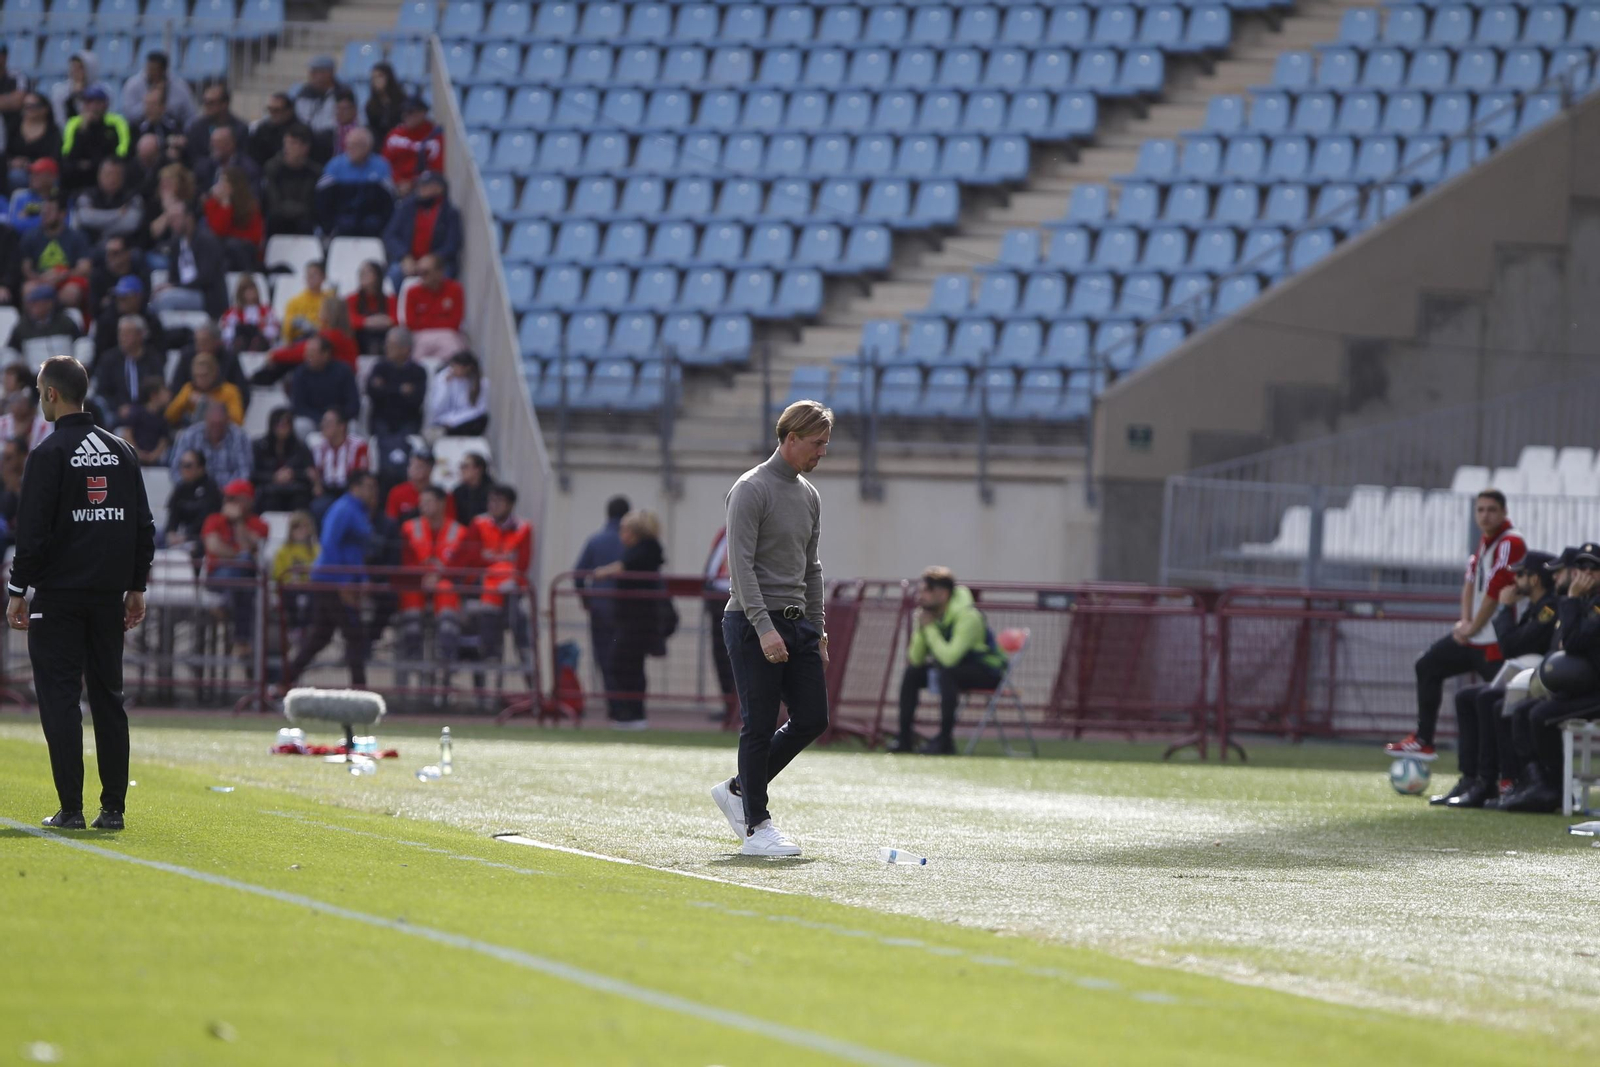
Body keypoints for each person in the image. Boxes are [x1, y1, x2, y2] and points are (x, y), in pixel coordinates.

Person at [6, 355, 154, 832]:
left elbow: (33, 534)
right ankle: (113, 810)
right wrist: (136, 586)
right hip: (109, 597)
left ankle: (71, 809)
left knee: (61, 699)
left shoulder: (48, 454)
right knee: (109, 698)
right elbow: (143, 527)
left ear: (51, 394)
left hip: (60, 597)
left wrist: (16, 591)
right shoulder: (122, 450)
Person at [710, 400, 832, 857]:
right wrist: (763, 628)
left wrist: (817, 630)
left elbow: (812, 567)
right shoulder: (750, 489)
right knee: (758, 723)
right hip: (750, 622)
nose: (822, 452)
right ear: (791, 438)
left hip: (798, 624)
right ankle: (756, 826)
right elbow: (739, 566)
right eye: (817, 443)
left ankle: (740, 789)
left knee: (813, 718)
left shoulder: (809, 495)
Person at [1387, 490, 1527, 760]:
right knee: (1427, 665)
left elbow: (1497, 589)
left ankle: (1514, 771)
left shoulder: (1510, 541)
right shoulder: (1486, 542)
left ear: (1504, 513)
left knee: (1503, 705)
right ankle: (1424, 740)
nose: (1485, 515)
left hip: (1495, 643)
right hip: (1475, 637)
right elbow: (1470, 582)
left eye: (1491, 510)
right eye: (1480, 510)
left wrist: (1473, 628)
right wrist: (1465, 623)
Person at [1431, 550, 1562, 808]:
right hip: (1523, 678)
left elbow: (1511, 646)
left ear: (1534, 579)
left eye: (1521, 575)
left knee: (1489, 700)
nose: (1515, 581)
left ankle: (1500, 781)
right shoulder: (1536, 608)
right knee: (1465, 696)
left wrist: (1504, 607)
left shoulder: (1548, 608)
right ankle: (1472, 778)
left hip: (1537, 683)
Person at [1500, 544, 1600, 813]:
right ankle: (1535, 782)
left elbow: (1573, 641)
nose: (1586, 573)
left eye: (1594, 568)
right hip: (1580, 686)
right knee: (1521, 711)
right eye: (1581, 567)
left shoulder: (1592, 602)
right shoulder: (1583, 601)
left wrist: (1571, 598)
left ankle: (1553, 788)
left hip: (1595, 691)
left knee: (1541, 715)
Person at [890, 567, 1009, 755]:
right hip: (954, 669)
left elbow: (950, 659)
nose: (920, 596)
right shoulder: (927, 615)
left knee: (948, 673)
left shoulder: (968, 616)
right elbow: (916, 658)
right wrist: (922, 629)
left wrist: (929, 629)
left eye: (926, 591)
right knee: (912, 673)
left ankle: (945, 741)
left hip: (988, 672)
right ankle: (904, 739)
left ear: (943, 594)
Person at [280, 469, 377, 690]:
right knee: (353, 633)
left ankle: (283, 682)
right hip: (329, 580)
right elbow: (330, 544)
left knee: (320, 636)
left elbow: (354, 552)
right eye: (369, 486)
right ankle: (360, 691)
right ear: (356, 487)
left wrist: (362, 579)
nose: (373, 492)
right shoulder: (344, 509)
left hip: (338, 580)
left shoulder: (359, 511)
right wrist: (342, 582)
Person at [592, 510, 666, 729]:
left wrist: (602, 572)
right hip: (631, 618)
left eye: (624, 530)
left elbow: (624, 566)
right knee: (629, 665)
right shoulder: (638, 549)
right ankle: (632, 713)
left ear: (635, 532)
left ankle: (631, 713)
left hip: (638, 619)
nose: (620, 534)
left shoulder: (646, 549)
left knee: (622, 664)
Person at [459, 483, 534, 694]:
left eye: (499, 501)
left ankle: (531, 689)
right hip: (482, 594)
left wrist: (497, 566)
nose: (493, 505)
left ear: (510, 504)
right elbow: (472, 558)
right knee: (477, 634)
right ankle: (482, 690)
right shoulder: (479, 524)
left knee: (522, 629)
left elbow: (523, 563)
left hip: (511, 596)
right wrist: (498, 567)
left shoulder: (523, 528)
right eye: (491, 501)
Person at [397, 485, 466, 700]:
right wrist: (422, 576)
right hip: (418, 586)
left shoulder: (459, 531)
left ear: (442, 503)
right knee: (410, 597)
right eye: (421, 502)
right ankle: (414, 659)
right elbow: (405, 560)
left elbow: (463, 564)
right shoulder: (409, 528)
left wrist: (440, 577)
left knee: (447, 592)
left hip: (444, 587)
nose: (423, 506)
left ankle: (446, 659)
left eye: (428, 501)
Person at [575, 495, 629, 720]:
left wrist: (586, 600)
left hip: (600, 608)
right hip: (626, 610)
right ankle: (627, 706)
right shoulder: (629, 542)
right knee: (626, 658)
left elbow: (578, 574)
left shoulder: (595, 540)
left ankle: (613, 705)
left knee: (604, 657)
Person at [202, 478, 267, 661]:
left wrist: (238, 522)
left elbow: (250, 548)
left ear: (247, 501)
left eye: (233, 498)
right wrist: (238, 556)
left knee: (244, 582)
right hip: (217, 577)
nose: (228, 502)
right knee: (244, 570)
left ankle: (225, 606)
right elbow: (214, 547)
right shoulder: (214, 519)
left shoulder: (258, 523)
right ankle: (241, 641)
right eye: (227, 498)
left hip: (241, 584)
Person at [382, 170, 461, 290]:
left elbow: (452, 244)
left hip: (437, 263)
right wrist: (404, 256)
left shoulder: (449, 213)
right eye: (420, 185)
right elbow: (390, 235)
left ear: (439, 189)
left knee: (445, 277)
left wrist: (433, 259)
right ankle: (396, 307)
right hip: (408, 261)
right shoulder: (406, 208)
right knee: (395, 273)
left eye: (425, 186)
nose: (420, 189)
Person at [151, 200, 228, 316]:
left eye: (176, 218)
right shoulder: (176, 243)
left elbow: (205, 278)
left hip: (206, 295)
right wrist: (168, 286)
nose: (172, 223)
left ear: (189, 217)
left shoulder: (206, 241)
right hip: (184, 292)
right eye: (170, 219)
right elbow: (173, 276)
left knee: (165, 300)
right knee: (155, 298)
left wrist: (175, 286)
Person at [314, 126, 393, 237]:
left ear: (368, 147)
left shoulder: (381, 166)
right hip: (341, 221)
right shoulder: (334, 166)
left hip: (371, 223)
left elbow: (388, 203)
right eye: (349, 144)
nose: (351, 148)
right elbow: (322, 202)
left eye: (357, 145)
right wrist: (329, 227)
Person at [21, 199, 92, 310]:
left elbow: (85, 267)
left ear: (62, 214)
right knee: (28, 289)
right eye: (43, 211)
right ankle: (32, 324)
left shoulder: (77, 237)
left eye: (49, 211)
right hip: (40, 280)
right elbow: (26, 268)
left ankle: (66, 323)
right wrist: (41, 279)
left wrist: (63, 275)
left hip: (67, 279)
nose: (45, 215)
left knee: (71, 292)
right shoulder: (31, 236)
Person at [94, 316, 165, 426]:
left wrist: (145, 407)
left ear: (140, 335)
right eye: (121, 334)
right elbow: (102, 391)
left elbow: (158, 386)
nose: (123, 338)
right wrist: (118, 407)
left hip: (148, 412)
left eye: (127, 334)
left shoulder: (153, 359)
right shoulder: (109, 359)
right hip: (118, 413)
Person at [60, 87, 131, 196]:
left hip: (106, 167)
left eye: (98, 102)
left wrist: (94, 163)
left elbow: (122, 152)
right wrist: (83, 131)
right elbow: (68, 153)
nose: (93, 107)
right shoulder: (74, 124)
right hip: (80, 172)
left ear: (106, 104)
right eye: (89, 102)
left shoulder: (117, 122)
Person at [701, 525, 739, 726]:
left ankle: (739, 708)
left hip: (736, 599)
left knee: (737, 656)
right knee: (721, 656)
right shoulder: (724, 533)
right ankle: (729, 706)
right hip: (717, 600)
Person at [169, 400, 252, 487]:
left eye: (220, 424)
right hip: (194, 491)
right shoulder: (190, 435)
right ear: (206, 419)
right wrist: (189, 487)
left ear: (228, 421)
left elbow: (244, 472)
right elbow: (175, 469)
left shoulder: (240, 437)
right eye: (212, 424)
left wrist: (229, 491)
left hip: (228, 494)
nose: (215, 429)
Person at [404, 253, 468, 365]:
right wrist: (440, 319)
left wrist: (425, 320)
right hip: (421, 336)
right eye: (420, 272)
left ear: (439, 272)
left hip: (447, 335)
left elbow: (455, 322)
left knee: (456, 353)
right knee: (412, 358)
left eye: (426, 272)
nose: (422, 276)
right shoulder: (412, 292)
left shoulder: (455, 290)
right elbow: (411, 323)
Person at [307, 407, 369, 522]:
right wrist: (316, 483)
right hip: (327, 491)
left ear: (342, 426)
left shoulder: (358, 446)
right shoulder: (317, 447)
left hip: (349, 491)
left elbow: (361, 474)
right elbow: (314, 473)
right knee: (317, 507)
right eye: (323, 421)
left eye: (328, 422)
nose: (323, 425)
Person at [260, 122, 320, 237]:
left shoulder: (314, 172)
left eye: (293, 143)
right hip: (278, 218)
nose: (288, 148)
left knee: (306, 222)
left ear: (305, 147)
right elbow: (273, 203)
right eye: (286, 143)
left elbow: (311, 204)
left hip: (304, 220)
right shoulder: (272, 168)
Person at [366, 326, 427, 436]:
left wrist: (386, 388)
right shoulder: (379, 367)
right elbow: (372, 392)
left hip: (408, 420)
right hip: (382, 419)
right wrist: (400, 390)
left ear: (405, 349)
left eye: (391, 345)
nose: (386, 347)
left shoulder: (418, 371)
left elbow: (416, 400)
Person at [287, 336, 361, 427]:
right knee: (300, 426)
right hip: (313, 419)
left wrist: (337, 419)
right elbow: (299, 406)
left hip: (340, 419)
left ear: (326, 354)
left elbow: (353, 402)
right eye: (307, 352)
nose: (307, 356)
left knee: (353, 426)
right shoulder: (300, 373)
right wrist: (322, 420)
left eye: (312, 353)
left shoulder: (343, 371)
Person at [251, 406, 313, 512]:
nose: (282, 427)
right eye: (279, 424)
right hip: (269, 491)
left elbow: (309, 473)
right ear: (272, 425)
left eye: (286, 424)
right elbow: (253, 474)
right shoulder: (260, 446)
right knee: (270, 499)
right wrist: (274, 477)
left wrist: (292, 474)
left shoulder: (301, 447)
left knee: (300, 499)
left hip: (295, 490)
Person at [200, 165, 263, 270]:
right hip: (222, 252)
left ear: (235, 185)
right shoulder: (211, 204)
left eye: (225, 182)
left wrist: (231, 237)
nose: (221, 186)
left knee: (232, 246)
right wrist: (226, 204)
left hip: (245, 252)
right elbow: (218, 230)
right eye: (219, 182)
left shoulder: (250, 205)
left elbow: (255, 238)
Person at [381, 98, 444, 198]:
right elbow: (385, 164)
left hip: (423, 188)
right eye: (404, 113)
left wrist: (412, 183)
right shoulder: (394, 136)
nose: (407, 117)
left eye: (411, 112)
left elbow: (436, 169)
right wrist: (398, 181)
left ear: (423, 113)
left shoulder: (435, 137)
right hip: (396, 186)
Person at [73, 157, 143, 245]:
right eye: (108, 174)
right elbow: (84, 217)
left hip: (122, 247)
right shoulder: (87, 195)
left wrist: (101, 229)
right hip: (90, 245)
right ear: (99, 175)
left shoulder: (133, 197)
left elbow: (132, 223)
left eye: (117, 175)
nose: (112, 179)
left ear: (123, 177)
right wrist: (117, 214)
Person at [93, 274, 165, 360]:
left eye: (125, 296)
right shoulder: (106, 321)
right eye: (118, 296)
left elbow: (159, 353)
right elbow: (100, 354)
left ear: (138, 297)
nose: (120, 300)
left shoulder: (151, 321)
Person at [120, 51, 196, 130]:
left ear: (163, 70)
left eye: (154, 69)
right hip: (139, 131)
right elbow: (128, 115)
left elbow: (190, 116)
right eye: (149, 68)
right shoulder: (133, 85)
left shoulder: (179, 87)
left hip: (173, 132)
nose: (150, 72)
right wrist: (149, 108)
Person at [162, 448, 221, 548]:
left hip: (201, 538)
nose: (183, 469)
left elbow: (206, 518)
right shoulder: (180, 488)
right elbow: (173, 513)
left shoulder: (211, 489)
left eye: (188, 466)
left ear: (200, 468)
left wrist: (187, 536)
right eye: (182, 465)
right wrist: (171, 532)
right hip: (181, 537)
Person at [165, 351, 244, 426]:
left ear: (214, 374)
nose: (200, 380)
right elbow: (169, 416)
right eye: (197, 376)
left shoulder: (230, 391)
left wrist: (207, 402)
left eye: (204, 375)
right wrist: (185, 400)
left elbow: (238, 421)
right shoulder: (189, 389)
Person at [183, 81, 248, 171]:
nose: (206, 106)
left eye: (211, 102)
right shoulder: (196, 128)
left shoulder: (240, 129)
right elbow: (193, 158)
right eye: (205, 102)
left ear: (224, 104)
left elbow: (242, 159)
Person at [7, 283, 81, 358]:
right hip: (35, 369)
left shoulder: (65, 322)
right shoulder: (22, 327)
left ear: (49, 304)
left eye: (36, 304)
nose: (32, 308)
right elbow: (11, 350)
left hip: (64, 367)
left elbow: (81, 342)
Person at [272, 509, 318, 629]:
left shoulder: (316, 549)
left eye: (305, 527)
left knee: (313, 597)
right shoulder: (283, 551)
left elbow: (320, 570)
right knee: (290, 596)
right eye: (297, 527)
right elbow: (277, 574)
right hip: (290, 588)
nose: (301, 531)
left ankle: (308, 629)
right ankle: (294, 630)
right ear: (291, 530)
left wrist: (307, 577)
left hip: (310, 588)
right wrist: (290, 580)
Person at [427, 351, 489, 438]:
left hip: (464, 422)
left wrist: (454, 421)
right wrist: (446, 387)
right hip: (444, 420)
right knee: (439, 428)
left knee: (483, 419)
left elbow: (478, 410)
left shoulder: (481, 383)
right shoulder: (443, 377)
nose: (452, 369)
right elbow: (437, 407)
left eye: (456, 367)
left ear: (467, 368)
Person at [140, 161, 195, 254]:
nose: (164, 186)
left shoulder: (190, 203)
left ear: (180, 185)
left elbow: (187, 231)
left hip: (186, 249)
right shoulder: (153, 204)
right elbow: (152, 233)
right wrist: (168, 212)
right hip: (158, 249)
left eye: (168, 183)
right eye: (162, 183)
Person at [9, 94, 62, 190]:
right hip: (15, 169)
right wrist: (12, 162)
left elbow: (54, 157)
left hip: (44, 171)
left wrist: (30, 164)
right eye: (25, 106)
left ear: (45, 109)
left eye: (33, 106)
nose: (28, 109)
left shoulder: (53, 131)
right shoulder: (14, 126)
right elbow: (6, 151)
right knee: (15, 176)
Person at [385, 450, 453, 524]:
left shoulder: (442, 495)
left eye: (424, 465)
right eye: (414, 464)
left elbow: (450, 524)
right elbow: (391, 522)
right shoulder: (396, 492)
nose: (418, 468)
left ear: (431, 468)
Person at [115, 375, 171, 465]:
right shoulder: (137, 413)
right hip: (134, 457)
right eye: (164, 392)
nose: (169, 395)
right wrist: (137, 452)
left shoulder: (162, 418)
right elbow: (128, 433)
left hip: (154, 460)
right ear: (154, 395)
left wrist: (154, 455)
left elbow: (163, 439)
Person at [88, 234, 149, 313]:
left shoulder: (140, 273)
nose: (110, 257)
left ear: (127, 253)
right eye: (108, 253)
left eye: (115, 253)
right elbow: (94, 308)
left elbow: (145, 301)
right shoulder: (97, 276)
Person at [219, 275, 279, 355]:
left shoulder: (267, 311)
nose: (250, 293)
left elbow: (274, 330)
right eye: (246, 290)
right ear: (240, 293)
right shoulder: (232, 313)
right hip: (240, 343)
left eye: (252, 289)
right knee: (240, 340)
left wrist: (262, 331)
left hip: (261, 343)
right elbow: (226, 333)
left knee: (258, 340)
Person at [347, 260, 397, 355]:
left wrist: (368, 321)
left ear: (377, 276)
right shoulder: (351, 299)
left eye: (367, 272)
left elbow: (395, 320)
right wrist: (368, 322)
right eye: (361, 272)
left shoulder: (390, 300)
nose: (362, 275)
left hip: (384, 336)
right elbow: (350, 320)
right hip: (360, 338)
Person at [51, 52, 111, 130]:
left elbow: (107, 116)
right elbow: (60, 120)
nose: (75, 71)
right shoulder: (60, 91)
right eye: (73, 67)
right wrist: (74, 96)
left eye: (80, 68)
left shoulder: (104, 90)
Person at [193, 125, 260, 194]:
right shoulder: (203, 167)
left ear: (231, 144)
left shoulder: (248, 169)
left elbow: (253, 197)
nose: (213, 146)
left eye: (218, 142)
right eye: (212, 142)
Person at [8, 157, 62, 236]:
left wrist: (28, 217)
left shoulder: (61, 198)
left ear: (52, 177)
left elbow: (65, 226)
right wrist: (49, 220)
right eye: (31, 173)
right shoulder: (19, 195)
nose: (32, 177)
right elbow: (14, 226)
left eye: (37, 174)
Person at [293, 57, 346, 136]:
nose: (312, 75)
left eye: (316, 71)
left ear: (329, 73)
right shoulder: (304, 93)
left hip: (333, 139)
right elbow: (300, 118)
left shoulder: (342, 94)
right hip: (306, 138)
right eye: (311, 72)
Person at [281, 260, 328, 344]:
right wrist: (295, 322)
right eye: (308, 275)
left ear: (323, 277)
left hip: (323, 341)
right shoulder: (294, 302)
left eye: (314, 274)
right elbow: (286, 331)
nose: (310, 278)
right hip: (300, 340)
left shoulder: (330, 300)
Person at [247, 93, 295, 169]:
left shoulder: (297, 131)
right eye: (270, 109)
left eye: (277, 110)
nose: (272, 113)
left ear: (288, 111)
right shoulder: (262, 129)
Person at [0, 385, 53, 450]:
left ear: (31, 407)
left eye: (23, 403)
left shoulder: (43, 426)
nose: (19, 406)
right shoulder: (2, 424)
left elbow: (47, 448)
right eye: (17, 402)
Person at [365, 62, 407, 141]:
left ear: (389, 77)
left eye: (380, 76)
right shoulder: (370, 106)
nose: (376, 81)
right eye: (373, 78)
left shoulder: (403, 101)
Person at [451, 450, 492, 523]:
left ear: (478, 469)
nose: (461, 470)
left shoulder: (492, 492)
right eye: (461, 467)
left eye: (465, 466)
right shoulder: (458, 492)